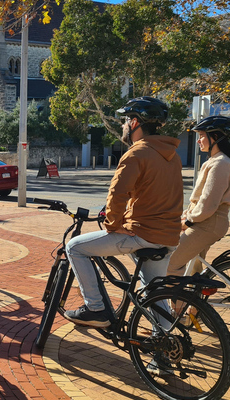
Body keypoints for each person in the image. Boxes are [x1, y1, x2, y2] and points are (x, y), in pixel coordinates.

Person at [63, 97, 184, 330]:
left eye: (125, 120)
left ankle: (95, 308)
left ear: (135, 122)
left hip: (141, 233)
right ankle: (165, 351)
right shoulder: (173, 156)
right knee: (154, 293)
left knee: (75, 248)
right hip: (168, 236)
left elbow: (117, 195)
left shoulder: (136, 153)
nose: (123, 125)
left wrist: (111, 224)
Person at [167, 116, 230, 277]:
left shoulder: (220, 164)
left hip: (207, 224)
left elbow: (208, 204)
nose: (198, 140)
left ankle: (175, 302)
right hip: (206, 223)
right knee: (193, 269)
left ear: (215, 137)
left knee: (170, 265)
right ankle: (195, 301)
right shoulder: (214, 161)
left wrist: (188, 222)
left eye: (201, 136)